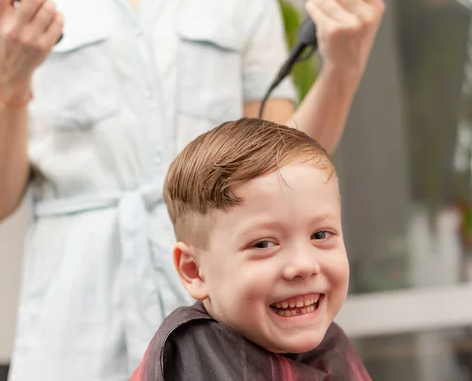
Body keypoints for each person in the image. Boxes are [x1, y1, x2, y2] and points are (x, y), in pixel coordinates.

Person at [0, 0, 384, 379]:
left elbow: (280, 176)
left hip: (229, 339)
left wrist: (343, 68)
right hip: (76, 332)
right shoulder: (4, 0)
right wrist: (8, 77)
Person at [132, 117, 370, 381]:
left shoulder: (331, 346)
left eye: (320, 235)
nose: (303, 265)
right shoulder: (195, 359)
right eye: (263, 244)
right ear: (194, 271)